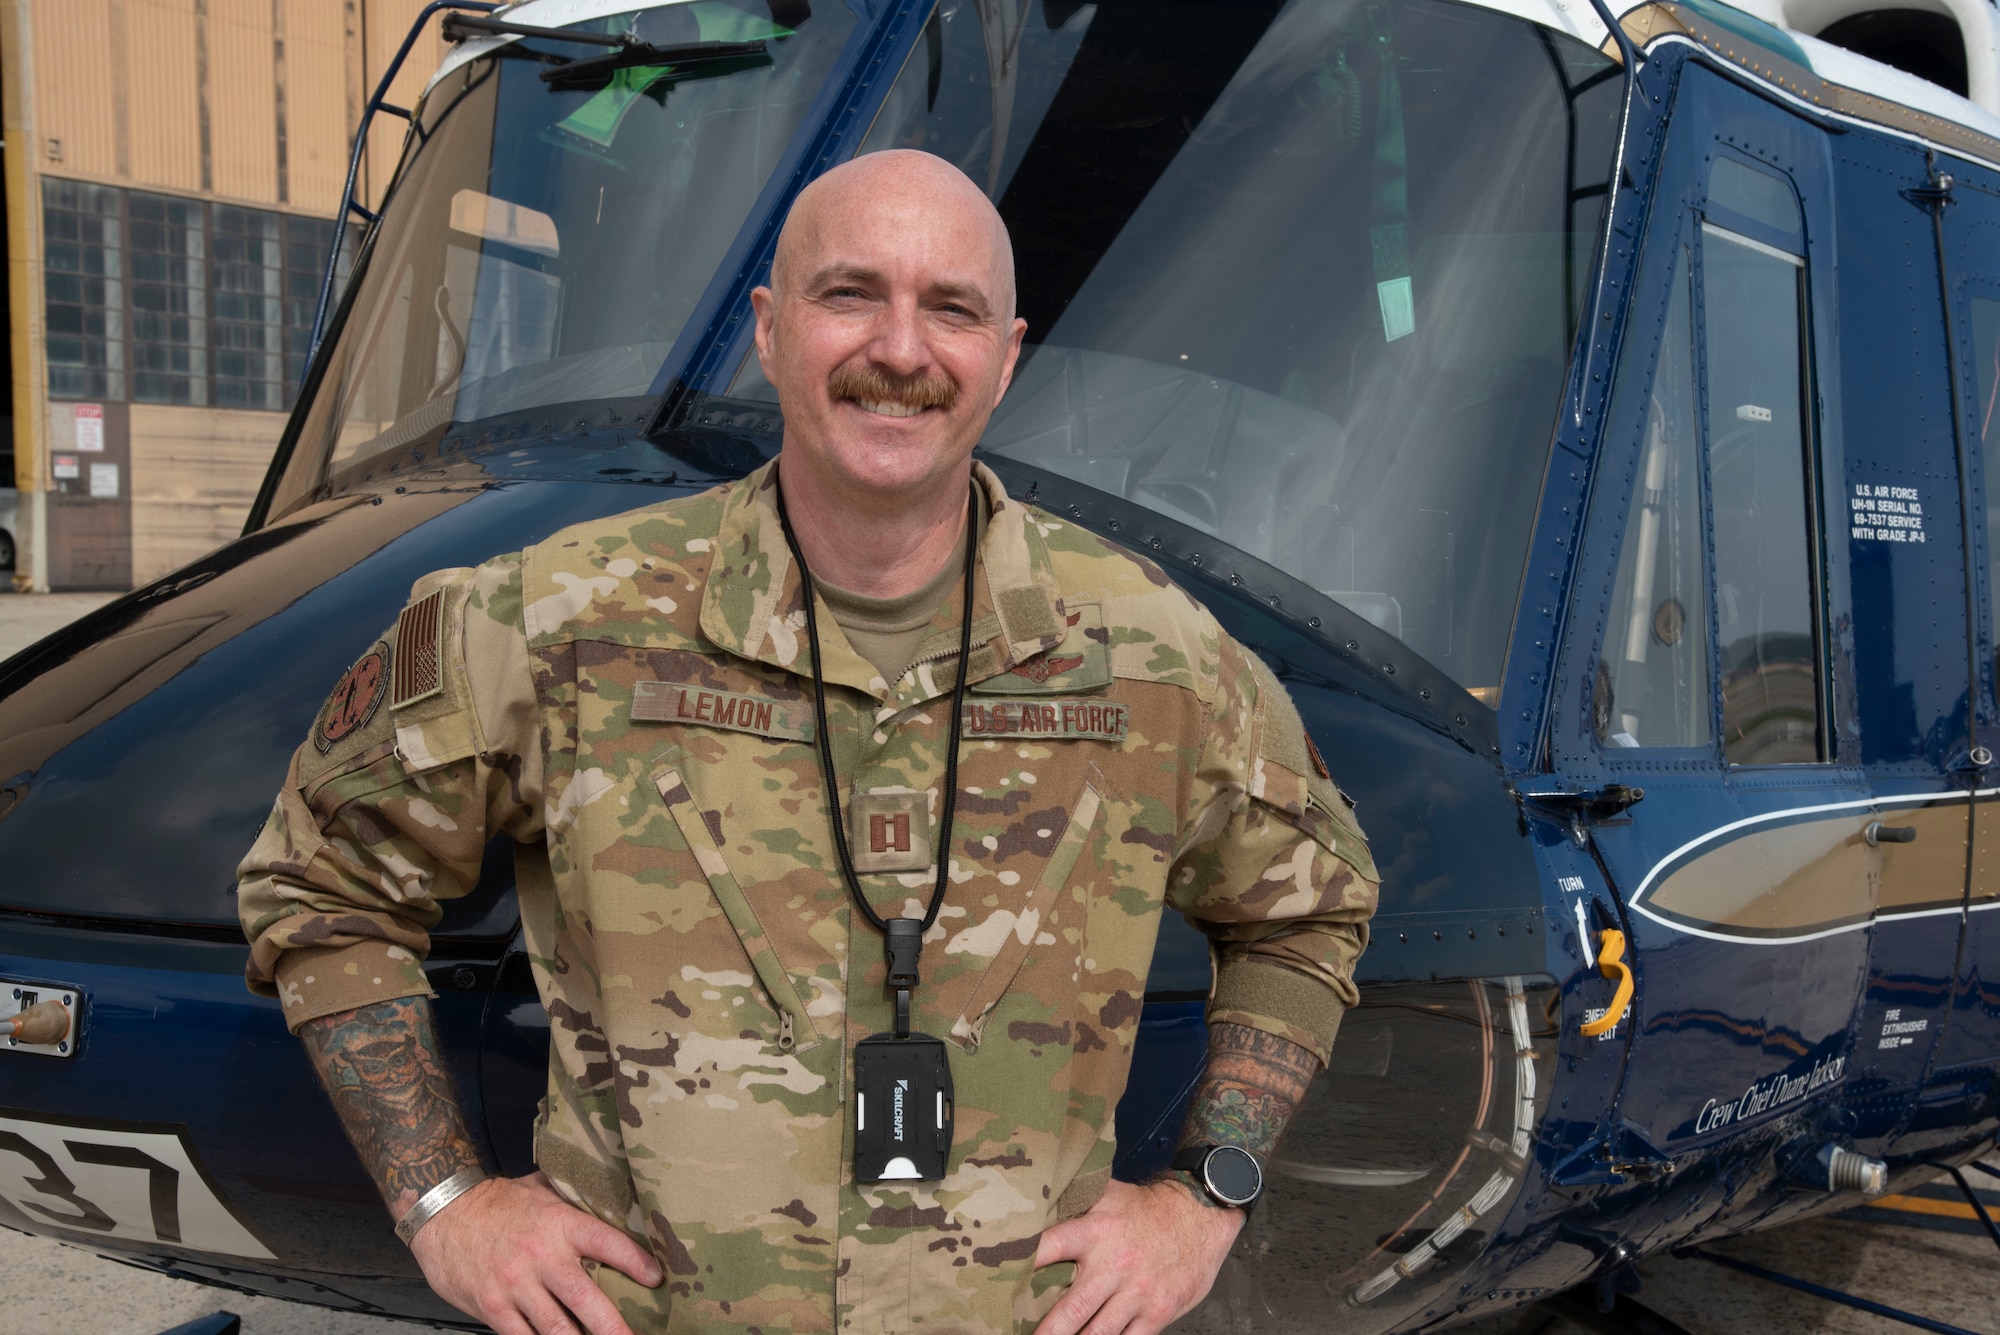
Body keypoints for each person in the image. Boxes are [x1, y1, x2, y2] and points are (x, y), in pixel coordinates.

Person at [239, 149, 1377, 1335]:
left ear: (1004, 359)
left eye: (951, 308)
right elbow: (320, 885)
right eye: (850, 294)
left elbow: (1309, 908)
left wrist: (1205, 1196)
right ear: (770, 332)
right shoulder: (558, 618)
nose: (899, 349)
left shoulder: (1151, 654)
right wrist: (444, 1203)